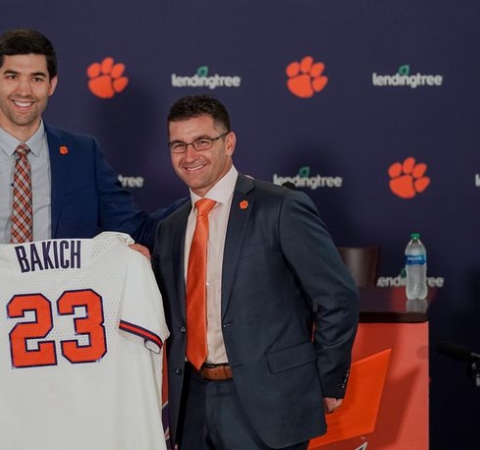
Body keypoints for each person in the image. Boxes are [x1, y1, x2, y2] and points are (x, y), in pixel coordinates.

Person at [0, 28, 176, 450]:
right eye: (12, 76)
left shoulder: (82, 154)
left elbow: (135, 228)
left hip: (64, 371)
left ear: (53, 84)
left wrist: (201, 201)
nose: (24, 89)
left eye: (37, 78)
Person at [152, 95, 359, 450]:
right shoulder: (170, 228)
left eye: (202, 141)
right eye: (178, 145)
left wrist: (323, 382)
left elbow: (338, 298)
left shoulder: (280, 208)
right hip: (194, 406)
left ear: (228, 143)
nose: (190, 155)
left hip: (270, 406)